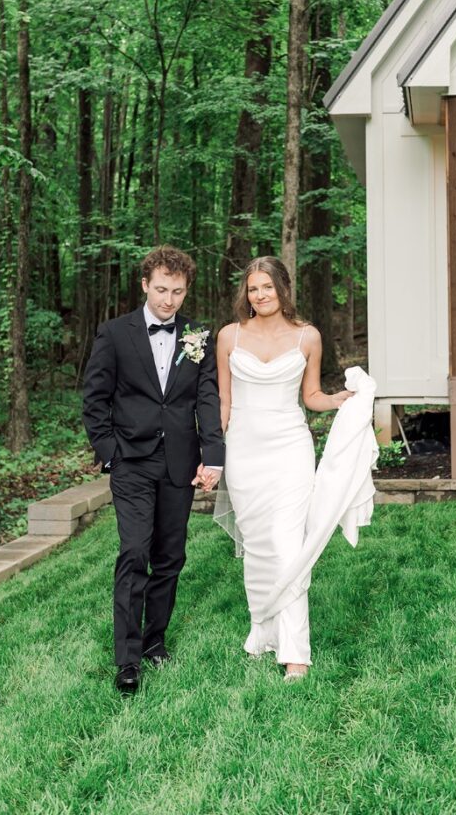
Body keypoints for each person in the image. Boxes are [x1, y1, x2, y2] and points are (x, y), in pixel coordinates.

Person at [83, 245, 224, 694]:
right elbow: (95, 400)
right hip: (132, 463)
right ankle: (126, 659)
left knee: (170, 557)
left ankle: (154, 642)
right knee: (134, 552)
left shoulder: (197, 335)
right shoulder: (114, 334)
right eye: (161, 289)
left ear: (186, 290)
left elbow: (207, 399)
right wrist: (110, 454)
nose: (168, 300)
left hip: (180, 462)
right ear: (145, 284)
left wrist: (214, 455)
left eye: (177, 291)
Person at [213, 256, 352, 682]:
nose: (260, 295)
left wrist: (338, 400)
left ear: (283, 289)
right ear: (246, 293)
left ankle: (296, 651)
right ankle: (263, 632)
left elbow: (310, 394)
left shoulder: (307, 336)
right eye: (253, 289)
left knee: (288, 546)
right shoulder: (228, 337)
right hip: (244, 449)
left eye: (267, 288)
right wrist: (212, 456)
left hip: (290, 447)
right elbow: (224, 402)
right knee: (258, 547)